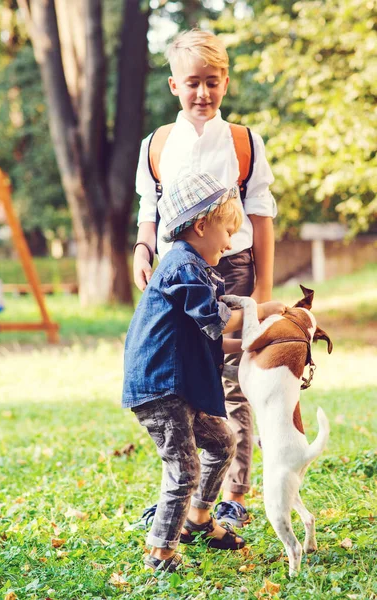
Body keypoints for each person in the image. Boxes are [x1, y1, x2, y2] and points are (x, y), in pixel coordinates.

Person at [133, 29, 277, 527]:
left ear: (226, 83)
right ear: (174, 84)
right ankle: (183, 491)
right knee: (180, 380)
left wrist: (262, 289)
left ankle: (233, 496)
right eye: (193, 82)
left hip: (233, 267)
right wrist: (142, 249)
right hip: (177, 275)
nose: (203, 93)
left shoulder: (243, 141)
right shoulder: (157, 143)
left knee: (234, 384)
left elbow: (261, 216)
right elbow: (148, 208)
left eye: (212, 82)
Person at [123, 172, 285, 571]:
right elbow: (215, 317)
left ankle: (197, 519)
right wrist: (257, 310)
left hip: (178, 383)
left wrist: (255, 344)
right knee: (183, 468)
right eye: (227, 232)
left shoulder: (194, 267)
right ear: (201, 225)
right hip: (161, 388)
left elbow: (209, 338)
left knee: (222, 441)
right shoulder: (181, 265)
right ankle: (160, 552)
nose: (230, 243)